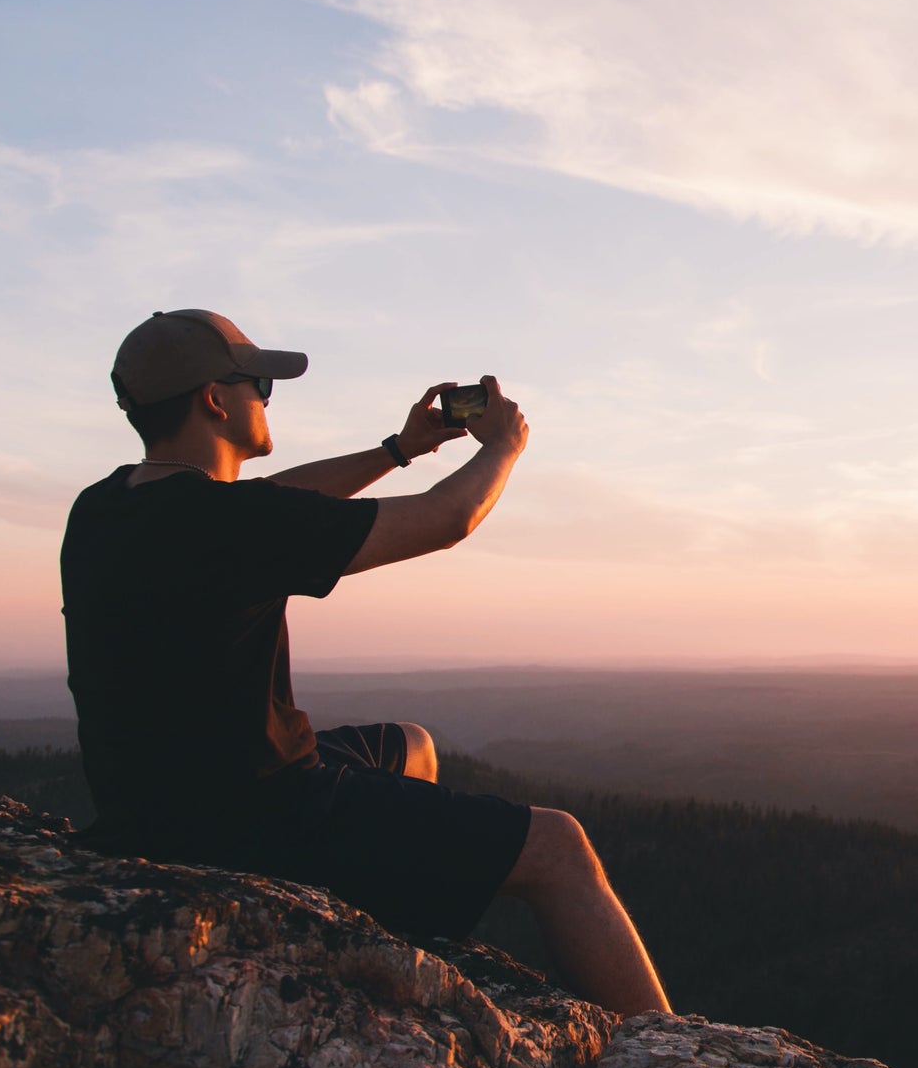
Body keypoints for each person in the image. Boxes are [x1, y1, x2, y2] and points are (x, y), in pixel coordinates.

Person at [60, 308, 670, 1019]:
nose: (265, 396)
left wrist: (397, 448)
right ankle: (671, 1056)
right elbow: (447, 518)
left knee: (410, 746)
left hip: (150, 807)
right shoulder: (225, 524)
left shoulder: (106, 507)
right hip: (250, 820)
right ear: (214, 400)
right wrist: (503, 447)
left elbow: (274, 502)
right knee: (559, 847)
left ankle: (387, 916)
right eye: (258, 382)